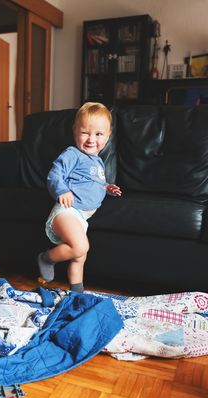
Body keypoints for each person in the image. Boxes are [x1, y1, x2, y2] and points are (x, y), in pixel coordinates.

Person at [37, 102, 122, 292]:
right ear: (75, 131)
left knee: (78, 257)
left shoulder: (98, 161)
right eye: (85, 132)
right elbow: (54, 175)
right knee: (81, 247)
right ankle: (46, 258)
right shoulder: (72, 154)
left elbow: (92, 182)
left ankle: (77, 293)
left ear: (108, 137)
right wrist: (62, 191)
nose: (91, 139)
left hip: (82, 217)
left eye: (98, 134)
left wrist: (106, 187)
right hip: (66, 211)